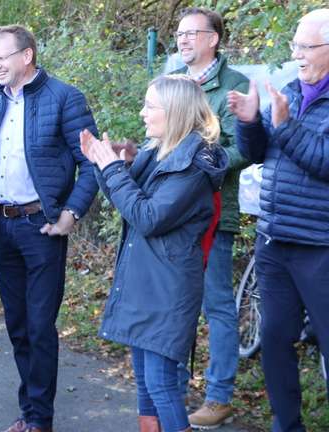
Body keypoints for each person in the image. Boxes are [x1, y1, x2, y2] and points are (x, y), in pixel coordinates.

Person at [81, 75, 226, 432]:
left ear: (174, 112)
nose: (143, 113)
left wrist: (112, 168)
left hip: (167, 288)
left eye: (150, 106)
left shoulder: (193, 165)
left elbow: (148, 217)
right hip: (145, 280)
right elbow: (128, 202)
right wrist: (108, 166)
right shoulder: (159, 152)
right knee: (147, 386)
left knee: (161, 383)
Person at [0, 25, 98, 432]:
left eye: (2, 56)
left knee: (40, 328)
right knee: (18, 327)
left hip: (42, 229)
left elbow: (92, 162)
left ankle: (40, 420)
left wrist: (71, 214)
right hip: (3, 228)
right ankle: (29, 412)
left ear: (26, 56)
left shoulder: (65, 97)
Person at [228, 8, 329, 432]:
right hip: (274, 240)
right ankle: (287, 425)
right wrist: (250, 121)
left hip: (321, 245)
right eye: (295, 46)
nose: (298, 54)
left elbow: (324, 161)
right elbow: (256, 152)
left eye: (305, 46)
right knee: (273, 340)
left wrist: (284, 126)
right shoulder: (288, 90)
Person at [170, 8, 250, 428]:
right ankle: (176, 387)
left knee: (217, 306)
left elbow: (246, 148)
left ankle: (219, 396)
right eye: (179, 34)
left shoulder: (233, 86)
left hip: (214, 213)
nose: (182, 41)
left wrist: (200, 165)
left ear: (213, 39)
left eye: (191, 34)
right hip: (172, 213)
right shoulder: (172, 80)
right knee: (179, 302)